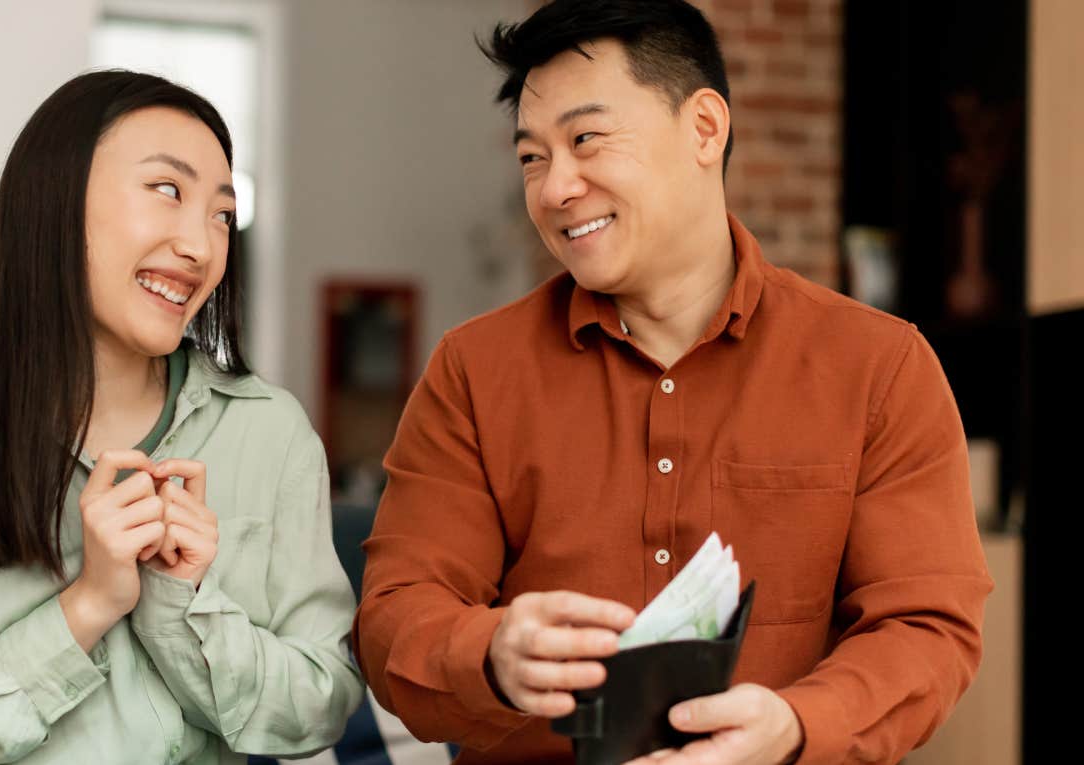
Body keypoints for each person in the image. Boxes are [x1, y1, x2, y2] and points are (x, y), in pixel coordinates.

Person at [352, 2, 992, 763]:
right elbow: (393, 613)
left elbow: (926, 626)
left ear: (704, 129)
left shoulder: (879, 366)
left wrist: (795, 725)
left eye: (586, 139)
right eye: (531, 157)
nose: (555, 188)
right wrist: (490, 650)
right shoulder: (473, 370)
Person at [0, 70, 362, 764]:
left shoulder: (271, 432)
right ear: (55, 202)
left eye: (222, 214)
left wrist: (182, 604)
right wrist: (86, 605)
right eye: (168, 191)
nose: (202, 248)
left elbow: (321, 708)